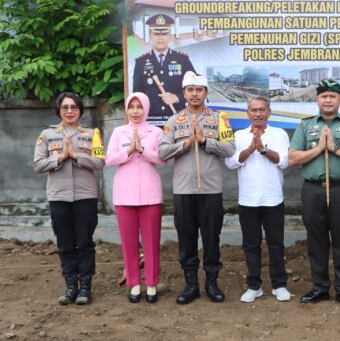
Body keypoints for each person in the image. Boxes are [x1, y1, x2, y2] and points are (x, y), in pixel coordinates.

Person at [288, 79, 340, 310]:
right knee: (316, 241)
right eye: (323, 96)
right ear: (317, 99)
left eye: (332, 96)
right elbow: (293, 158)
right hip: (313, 189)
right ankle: (320, 288)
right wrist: (317, 149)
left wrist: (335, 148)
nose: (327, 100)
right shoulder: (305, 126)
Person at [159, 71, 235, 305]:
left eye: (199, 89)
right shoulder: (174, 121)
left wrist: (204, 141)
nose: (194, 94)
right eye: (190, 90)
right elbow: (161, 152)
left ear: (206, 92)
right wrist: (186, 143)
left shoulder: (219, 119)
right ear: (183, 93)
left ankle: (212, 282)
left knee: (211, 237)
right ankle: (191, 284)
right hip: (183, 190)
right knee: (187, 237)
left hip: (211, 189)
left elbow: (230, 148)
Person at [33, 92, 105, 305]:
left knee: (84, 242)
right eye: (65, 107)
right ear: (59, 111)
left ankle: (85, 288)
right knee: (65, 243)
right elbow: (38, 164)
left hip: (85, 196)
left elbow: (100, 162)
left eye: (74, 107)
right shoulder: (46, 135)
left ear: (80, 110)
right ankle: (71, 287)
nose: (70, 111)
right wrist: (60, 157)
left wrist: (76, 156)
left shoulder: (93, 134)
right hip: (58, 197)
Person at [225, 97, 291, 303]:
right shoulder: (239, 135)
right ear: (247, 113)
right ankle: (254, 285)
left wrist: (262, 149)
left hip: (273, 198)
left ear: (269, 112)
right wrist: (250, 150)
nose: (258, 114)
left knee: (276, 244)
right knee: (251, 245)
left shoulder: (279, 134)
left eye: (262, 110)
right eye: (254, 110)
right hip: (248, 200)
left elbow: (284, 161)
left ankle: (279, 284)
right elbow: (230, 163)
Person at [105, 92, 165, 304]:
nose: (135, 111)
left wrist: (142, 150)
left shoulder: (156, 131)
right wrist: (129, 151)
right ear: (127, 110)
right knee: (128, 243)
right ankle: (134, 284)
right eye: (132, 107)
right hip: (124, 194)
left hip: (150, 194)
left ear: (146, 108)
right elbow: (109, 159)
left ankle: (151, 284)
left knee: (151, 242)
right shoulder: (119, 132)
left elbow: (162, 159)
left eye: (139, 106)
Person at [133, 14, 195, 124]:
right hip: (151, 121)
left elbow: (194, 87)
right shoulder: (141, 62)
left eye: (164, 33)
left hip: (177, 119)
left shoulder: (182, 60)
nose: (160, 38)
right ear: (150, 35)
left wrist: (176, 97)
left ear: (170, 36)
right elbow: (138, 94)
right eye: (156, 34)